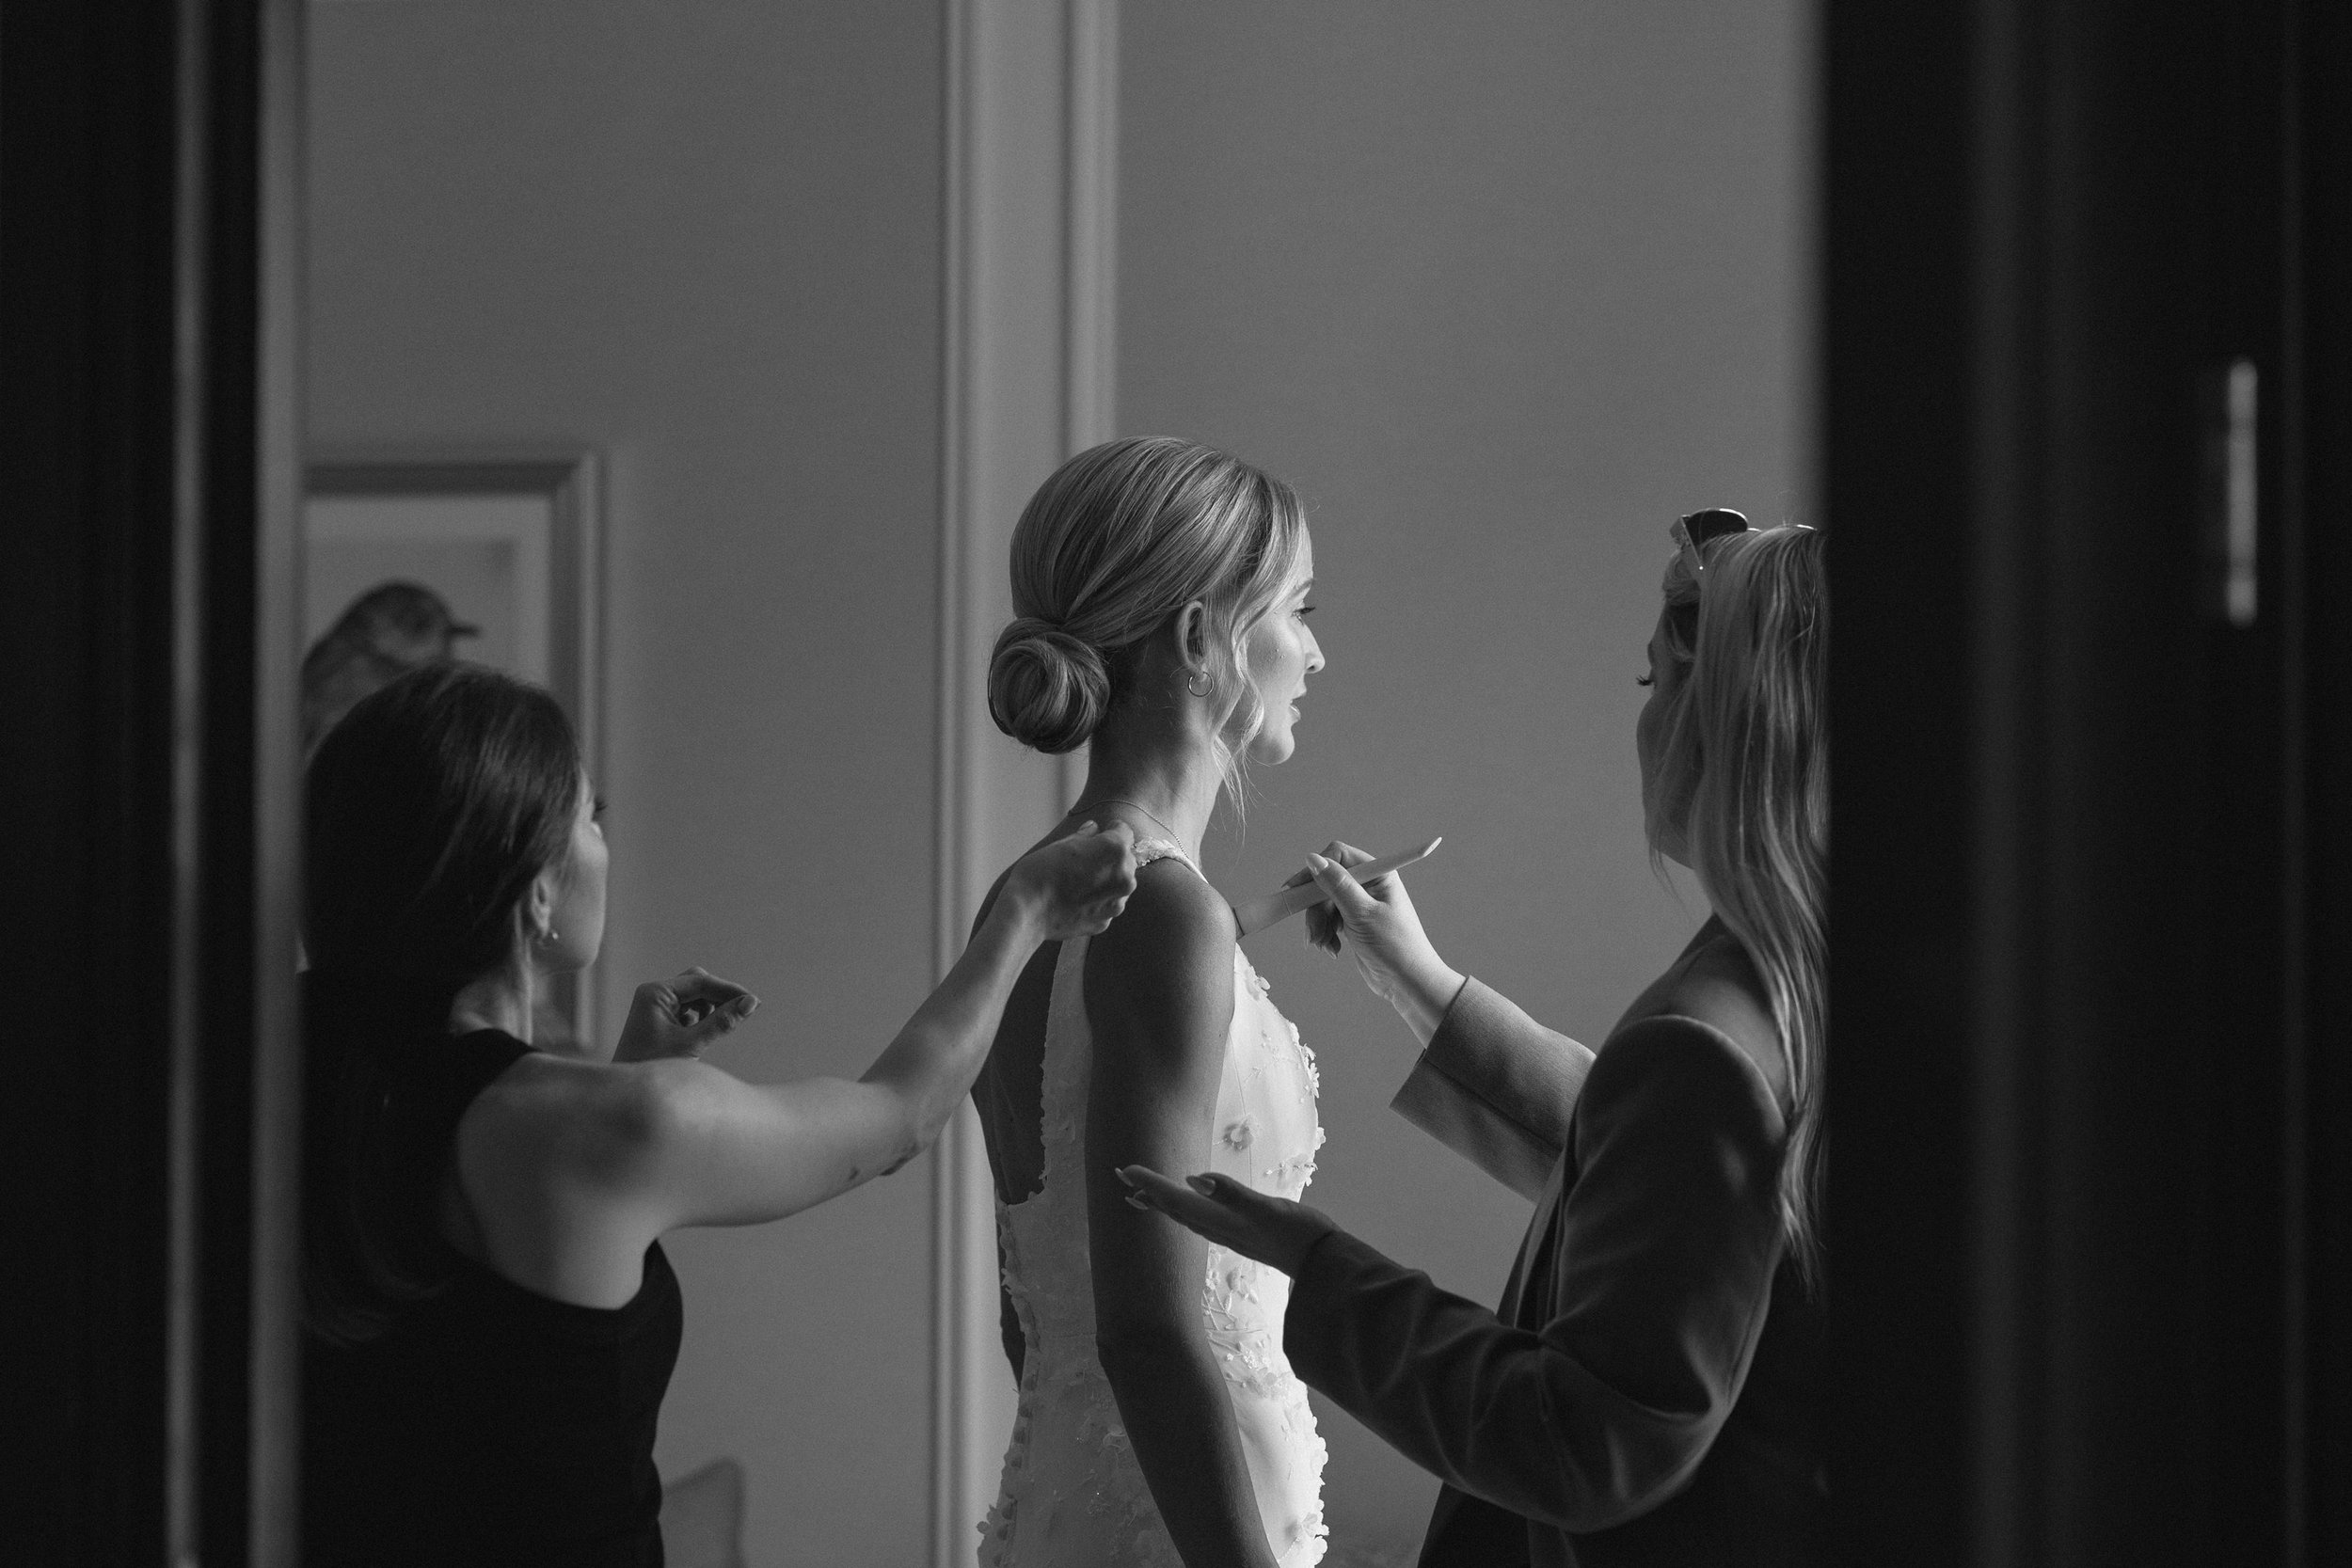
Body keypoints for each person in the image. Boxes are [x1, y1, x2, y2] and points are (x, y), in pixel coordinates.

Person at [298, 661, 1136, 1567]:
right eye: (590, 815)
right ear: (535, 890)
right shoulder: (602, 1129)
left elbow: (470, 1379)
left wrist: (626, 1079)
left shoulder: (287, 1093)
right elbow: (900, 1117)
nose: (603, 841)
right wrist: (1024, 913)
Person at [1123, 512, 1829, 1566]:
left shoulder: (1710, 1041)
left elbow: (1585, 1440)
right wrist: (1422, 985)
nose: (1641, 724)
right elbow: (1665, 1192)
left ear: (1716, 714)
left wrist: (1321, 1270)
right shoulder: (1816, 975)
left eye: (1653, 682)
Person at [969, 436, 1331, 1567]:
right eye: (1299, 611)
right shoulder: (1163, 915)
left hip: (1091, 1500)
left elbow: (1029, 1315)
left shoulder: (1036, 894)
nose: (1315, 653)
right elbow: (1144, 1326)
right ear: (1199, 637)